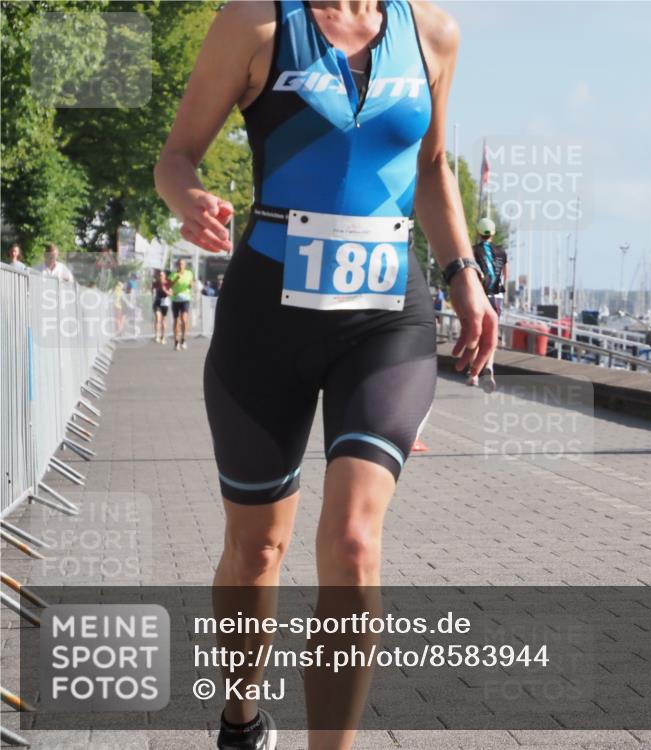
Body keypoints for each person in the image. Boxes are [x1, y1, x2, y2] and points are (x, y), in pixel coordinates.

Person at [153, 2, 495, 749]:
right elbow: (176, 155)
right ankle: (241, 717)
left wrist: (464, 274)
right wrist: (189, 202)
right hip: (265, 320)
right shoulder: (256, 23)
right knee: (258, 551)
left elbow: (431, 166)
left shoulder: (433, 33)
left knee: (351, 542)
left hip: (385, 320)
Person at [470, 217, 507, 393]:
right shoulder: (501, 252)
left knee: (476, 332)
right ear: (493, 234)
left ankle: (474, 374)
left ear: (478, 232)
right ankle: (489, 368)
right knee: (491, 334)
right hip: (496, 297)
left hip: (480, 296)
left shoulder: (474, 251)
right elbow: (505, 276)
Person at [168, 258, 194, 350]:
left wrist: (191, 285)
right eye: (179, 264)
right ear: (177, 265)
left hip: (185, 298)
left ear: (185, 265)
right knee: (176, 321)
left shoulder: (189, 273)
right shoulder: (173, 274)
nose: (180, 265)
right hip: (175, 299)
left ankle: (183, 339)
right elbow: (169, 285)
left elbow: (191, 283)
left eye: (182, 264)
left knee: (184, 319)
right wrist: (176, 278)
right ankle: (176, 341)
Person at [151, 269, 171, 344]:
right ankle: (157, 335)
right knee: (157, 317)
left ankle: (163, 336)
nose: (160, 277)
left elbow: (170, 294)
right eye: (159, 275)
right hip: (157, 302)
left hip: (165, 302)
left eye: (162, 275)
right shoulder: (155, 283)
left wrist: (165, 290)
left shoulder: (168, 283)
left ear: (165, 276)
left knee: (163, 320)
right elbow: (152, 290)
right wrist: (153, 291)